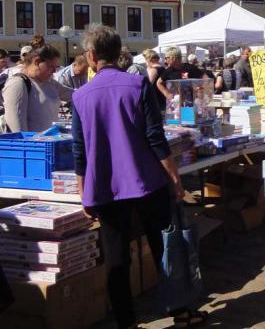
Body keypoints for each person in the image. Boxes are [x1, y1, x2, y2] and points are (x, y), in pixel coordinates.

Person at [71, 25, 206, 329]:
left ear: (91, 56)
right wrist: (174, 176)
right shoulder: (137, 85)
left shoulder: (80, 96)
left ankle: (126, 324)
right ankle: (182, 312)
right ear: (117, 51)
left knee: (117, 259)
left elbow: (80, 151)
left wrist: (84, 192)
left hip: (106, 185)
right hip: (146, 179)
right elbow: (155, 137)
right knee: (166, 247)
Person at [2, 45, 73, 132]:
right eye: (51, 67)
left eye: (56, 67)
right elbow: (18, 131)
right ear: (37, 61)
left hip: (48, 142)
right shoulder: (17, 84)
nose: (54, 71)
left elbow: (75, 95)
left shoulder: (50, 82)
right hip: (32, 144)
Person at [155, 46, 184, 112]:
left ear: (173, 58)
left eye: (166, 58)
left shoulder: (188, 68)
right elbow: (158, 82)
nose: (165, 60)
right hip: (175, 102)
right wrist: (167, 94)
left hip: (188, 102)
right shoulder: (168, 70)